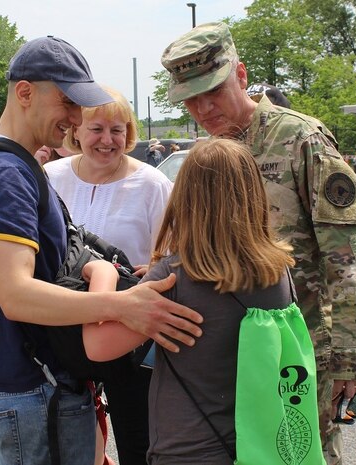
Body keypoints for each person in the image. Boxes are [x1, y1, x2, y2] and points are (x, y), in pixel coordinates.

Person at [0, 35, 203, 465]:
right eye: (67, 102)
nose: (73, 117)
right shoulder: (4, 174)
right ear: (25, 92)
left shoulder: (18, 166)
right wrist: (121, 305)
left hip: (48, 383)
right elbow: (15, 296)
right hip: (33, 387)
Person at [160, 22, 356, 465]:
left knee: (300, 454)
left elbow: (350, 257)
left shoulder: (301, 140)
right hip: (229, 356)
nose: (203, 108)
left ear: (241, 76)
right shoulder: (209, 152)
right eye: (190, 98)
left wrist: (349, 360)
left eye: (213, 91)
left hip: (298, 351)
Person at [82, 137, 298, 464]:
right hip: (258, 445)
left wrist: (103, 274)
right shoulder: (276, 270)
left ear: (185, 197)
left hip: (188, 449)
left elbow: (98, 347)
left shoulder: (176, 276)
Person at [44, 86, 173, 465]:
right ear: (76, 132)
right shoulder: (50, 177)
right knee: (75, 447)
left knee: (139, 443)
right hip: (64, 332)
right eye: (96, 128)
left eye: (118, 130)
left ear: (130, 135)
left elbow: (173, 252)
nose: (107, 140)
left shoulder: (152, 184)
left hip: (129, 338)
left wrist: (157, 264)